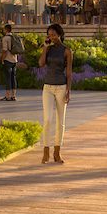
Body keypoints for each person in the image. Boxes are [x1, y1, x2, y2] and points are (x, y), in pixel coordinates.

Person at [40, 23, 72, 164]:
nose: (51, 37)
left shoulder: (67, 51)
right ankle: (46, 151)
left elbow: (69, 72)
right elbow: (41, 63)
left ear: (59, 34)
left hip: (61, 87)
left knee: (60, 122)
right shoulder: (48, 49)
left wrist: (68, 90)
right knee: (47, 119)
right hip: (47, 87)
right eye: (49, 35)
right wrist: (45, 49)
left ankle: (57, 152)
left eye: (53, 35)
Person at [0, 22, 23, 102]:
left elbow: (4, 50)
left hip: (8, 60)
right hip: (14, 60)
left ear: (6, 30)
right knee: (13, 78)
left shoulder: (5, 38)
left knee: (8, 78)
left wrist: (2, 59)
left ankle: (8, 96)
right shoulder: (15, 37)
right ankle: (13, 95)